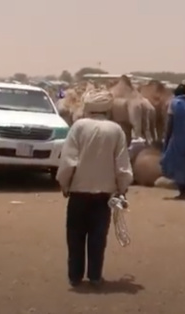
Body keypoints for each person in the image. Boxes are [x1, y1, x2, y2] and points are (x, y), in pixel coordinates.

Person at [56, 88, 133, 288]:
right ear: (107, 109)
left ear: (89, 107)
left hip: (78, 193)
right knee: (98, 237)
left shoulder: (79, 127)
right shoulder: (116, 130)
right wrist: (122, 189)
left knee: (75, 236)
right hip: (104, 195)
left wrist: (65, 184)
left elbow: (68, 160)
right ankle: (95, 276)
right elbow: (122, 165)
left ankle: (75, 277)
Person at [160, 84, 185, 199]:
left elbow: (170, 124)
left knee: (174, 164)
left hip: (177, 139)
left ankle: (183, 191)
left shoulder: (173, 103)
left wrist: (166, 140)